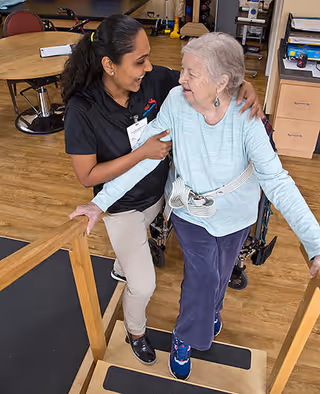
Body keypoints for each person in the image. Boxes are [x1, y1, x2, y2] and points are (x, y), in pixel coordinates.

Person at [69, 31, 320, 381]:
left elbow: (277, 181)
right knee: (202, 276)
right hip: (190, 212)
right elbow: (144, 159)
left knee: (219, 274)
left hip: (236, 215)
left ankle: (212, 311)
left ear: (221, 83)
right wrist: (99, 204)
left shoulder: (245, 118)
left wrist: (316, 244)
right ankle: (185, 336)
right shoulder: (176, 102)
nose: (180, 77)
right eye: (182, 70)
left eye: (190, 72)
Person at [63, 14, 262, 366]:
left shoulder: (154, 81)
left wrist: (241, 86)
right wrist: (142, 152)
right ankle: (135, 332)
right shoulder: (83, 108)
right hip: (122, 207)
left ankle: (130, 262)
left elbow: (205, 80)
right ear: (109, 64)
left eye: (149, 56)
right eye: (139, 61)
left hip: (161, 199)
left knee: (155, 254)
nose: (149, 66)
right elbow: (88, 177)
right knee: (143, 285)